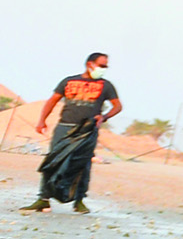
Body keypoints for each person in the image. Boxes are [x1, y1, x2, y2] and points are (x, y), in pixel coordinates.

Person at [23, 53, 121, 214]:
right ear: (90, 64)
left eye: (105, 66)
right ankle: (43, 199)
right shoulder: (69, 81)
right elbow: (52, 100)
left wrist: (103, 117)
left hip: (87, 131)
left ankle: (79, 201)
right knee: (52, 161)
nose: (104, 69)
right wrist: (42, 120)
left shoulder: (106, 85)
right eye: (102, 65)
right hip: (64, 127)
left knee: (82, 164)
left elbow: (117, 106)